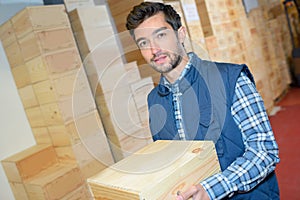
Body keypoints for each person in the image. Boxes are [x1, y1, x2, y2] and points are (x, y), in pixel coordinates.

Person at [126, 2, 280, 200]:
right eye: (143, 43)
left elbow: (264, 151)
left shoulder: (230, 79)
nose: (154, 49)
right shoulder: (154, 100)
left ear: (180, 34)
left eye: (161, 35)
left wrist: (211, 189)